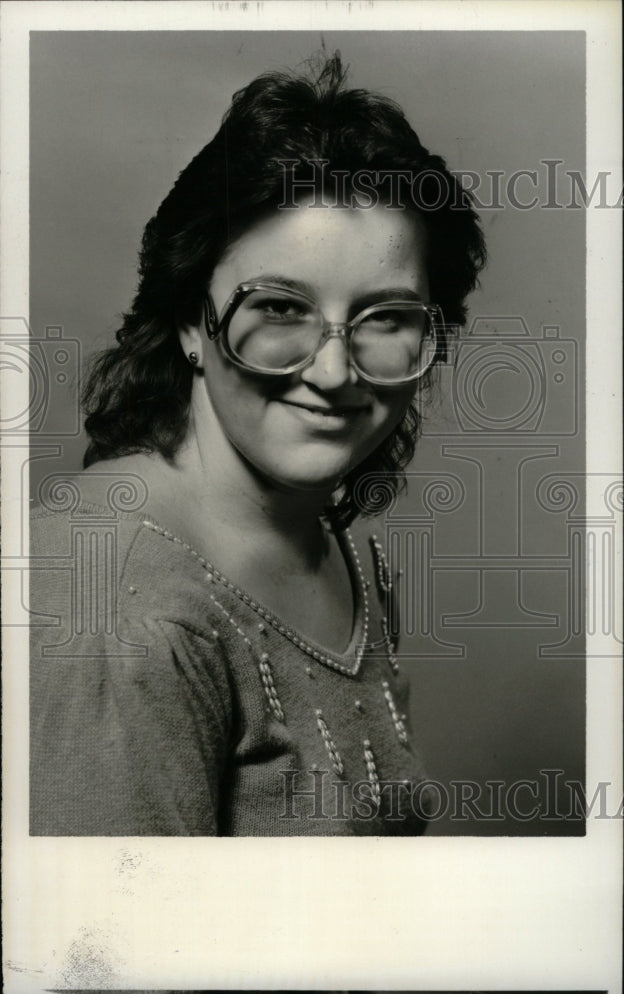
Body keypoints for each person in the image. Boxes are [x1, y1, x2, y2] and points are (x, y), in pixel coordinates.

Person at [30, 54, 486, 836]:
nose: (336, 371)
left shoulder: (348, 555)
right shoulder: (114, 612)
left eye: (385, 318)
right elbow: (113, 955)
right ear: (188, 323)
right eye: (279, 307)